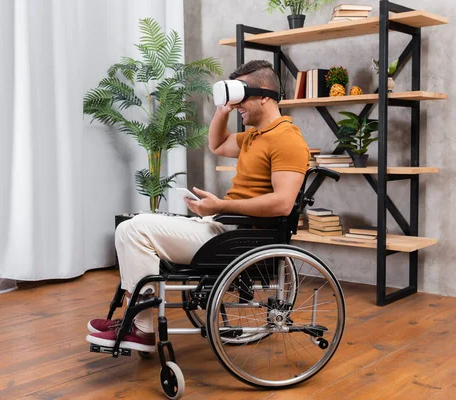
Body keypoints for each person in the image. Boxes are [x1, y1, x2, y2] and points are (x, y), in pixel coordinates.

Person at [85, 60, 310, 352]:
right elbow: (217, 145)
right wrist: (224, 109)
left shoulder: (286, 139)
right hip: (223, 228)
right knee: (131, 224)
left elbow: (282, 203)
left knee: (135, 229)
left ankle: (140, 328)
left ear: (265, 95)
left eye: (241, 96)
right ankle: (135, 321)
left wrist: (222, 206)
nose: (237, 105)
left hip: (239, 238)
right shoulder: (256, 135)